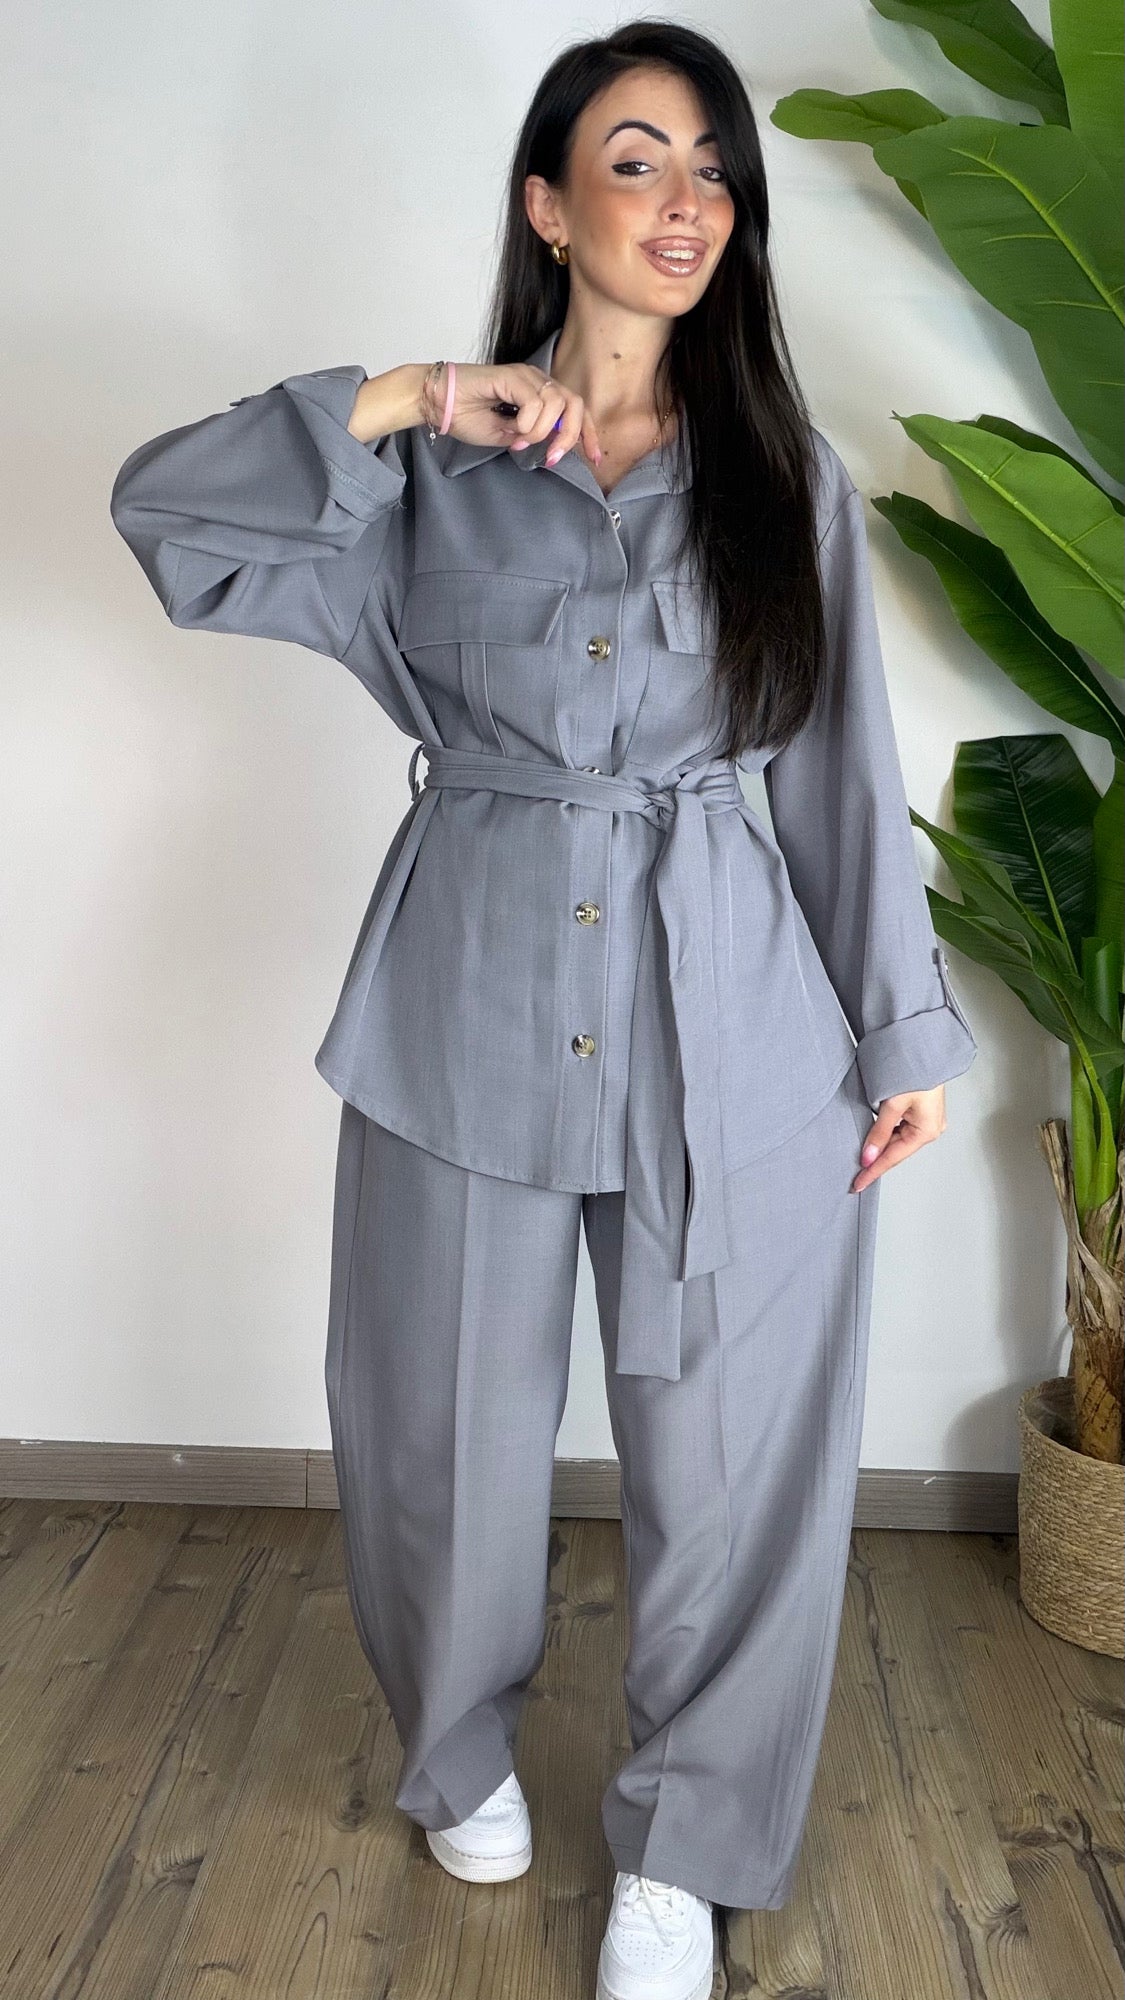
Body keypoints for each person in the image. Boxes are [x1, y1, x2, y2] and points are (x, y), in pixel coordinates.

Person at [109, 21, 978, 2000]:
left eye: (712, 170)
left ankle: (684, 1848)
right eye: (636, 159)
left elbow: (837, 769)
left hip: (735, 1015)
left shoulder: (782, 480)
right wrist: (413, 393)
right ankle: (456, 1750)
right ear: (547, 205)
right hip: (463, 1002)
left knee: (732, 1453)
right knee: (436, 1431)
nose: (684, 202)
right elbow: (170, 519)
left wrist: (900, 1035)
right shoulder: (422, 474)